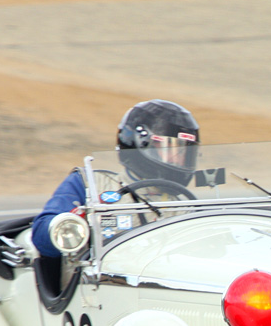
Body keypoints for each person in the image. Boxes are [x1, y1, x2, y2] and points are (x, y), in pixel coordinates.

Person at [31, 99, 200, 257]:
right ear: (140, 143)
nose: (177, 159)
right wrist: (76, 222)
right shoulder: (91, 184)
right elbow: (41, 236)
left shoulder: (185, 206)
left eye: (184, 152)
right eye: (169, 149)